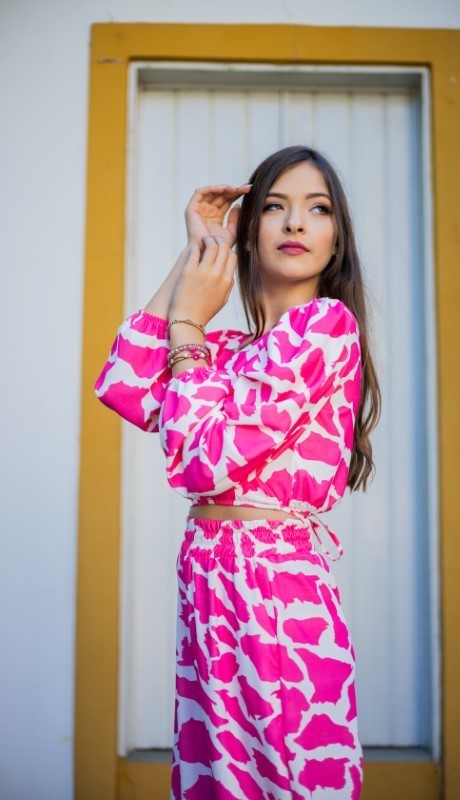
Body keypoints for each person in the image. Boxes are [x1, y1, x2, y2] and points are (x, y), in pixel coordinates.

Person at [95, 144, 381, 800]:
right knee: (218, 783)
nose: (296, 221)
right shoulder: (226, 353)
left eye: (318, 209)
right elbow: (124, 384)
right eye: (274, 207)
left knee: (290, 779)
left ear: (337, 241)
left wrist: (188, 323)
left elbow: (202, 462)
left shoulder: (324, 327)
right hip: (209, 581)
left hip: (276, 589)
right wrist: (199, 251)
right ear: (249, 234)